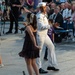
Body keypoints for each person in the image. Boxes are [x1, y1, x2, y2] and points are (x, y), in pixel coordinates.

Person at [36, 2, 59, 74]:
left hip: (45, 34)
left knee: (51, 46)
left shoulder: (44, 15)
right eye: (45, 7)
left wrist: (51, 24)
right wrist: (51, 25)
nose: (46, 8)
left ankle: (51, 64)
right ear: (41, 8)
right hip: (40, 35)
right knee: (39, 51)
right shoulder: (39, 16)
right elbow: (41, 26)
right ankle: (38, 67)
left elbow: (46, 24)